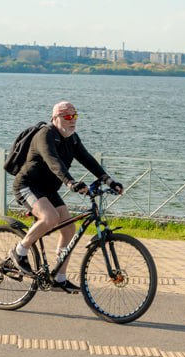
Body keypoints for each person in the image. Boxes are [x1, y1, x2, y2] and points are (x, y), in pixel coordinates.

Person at [9, 100, 123, 292]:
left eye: (75, 116)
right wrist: (70, 182)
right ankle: (19, 251)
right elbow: (54, 162)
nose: (73, 120)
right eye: (68, 116)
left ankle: (59, 278)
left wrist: (109, 181)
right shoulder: (44, 135)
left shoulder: (73, 139)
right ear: (55, 118)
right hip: (27, 185)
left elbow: (88, 160)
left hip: (49, 190)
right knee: (50, 217)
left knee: (69, 229)